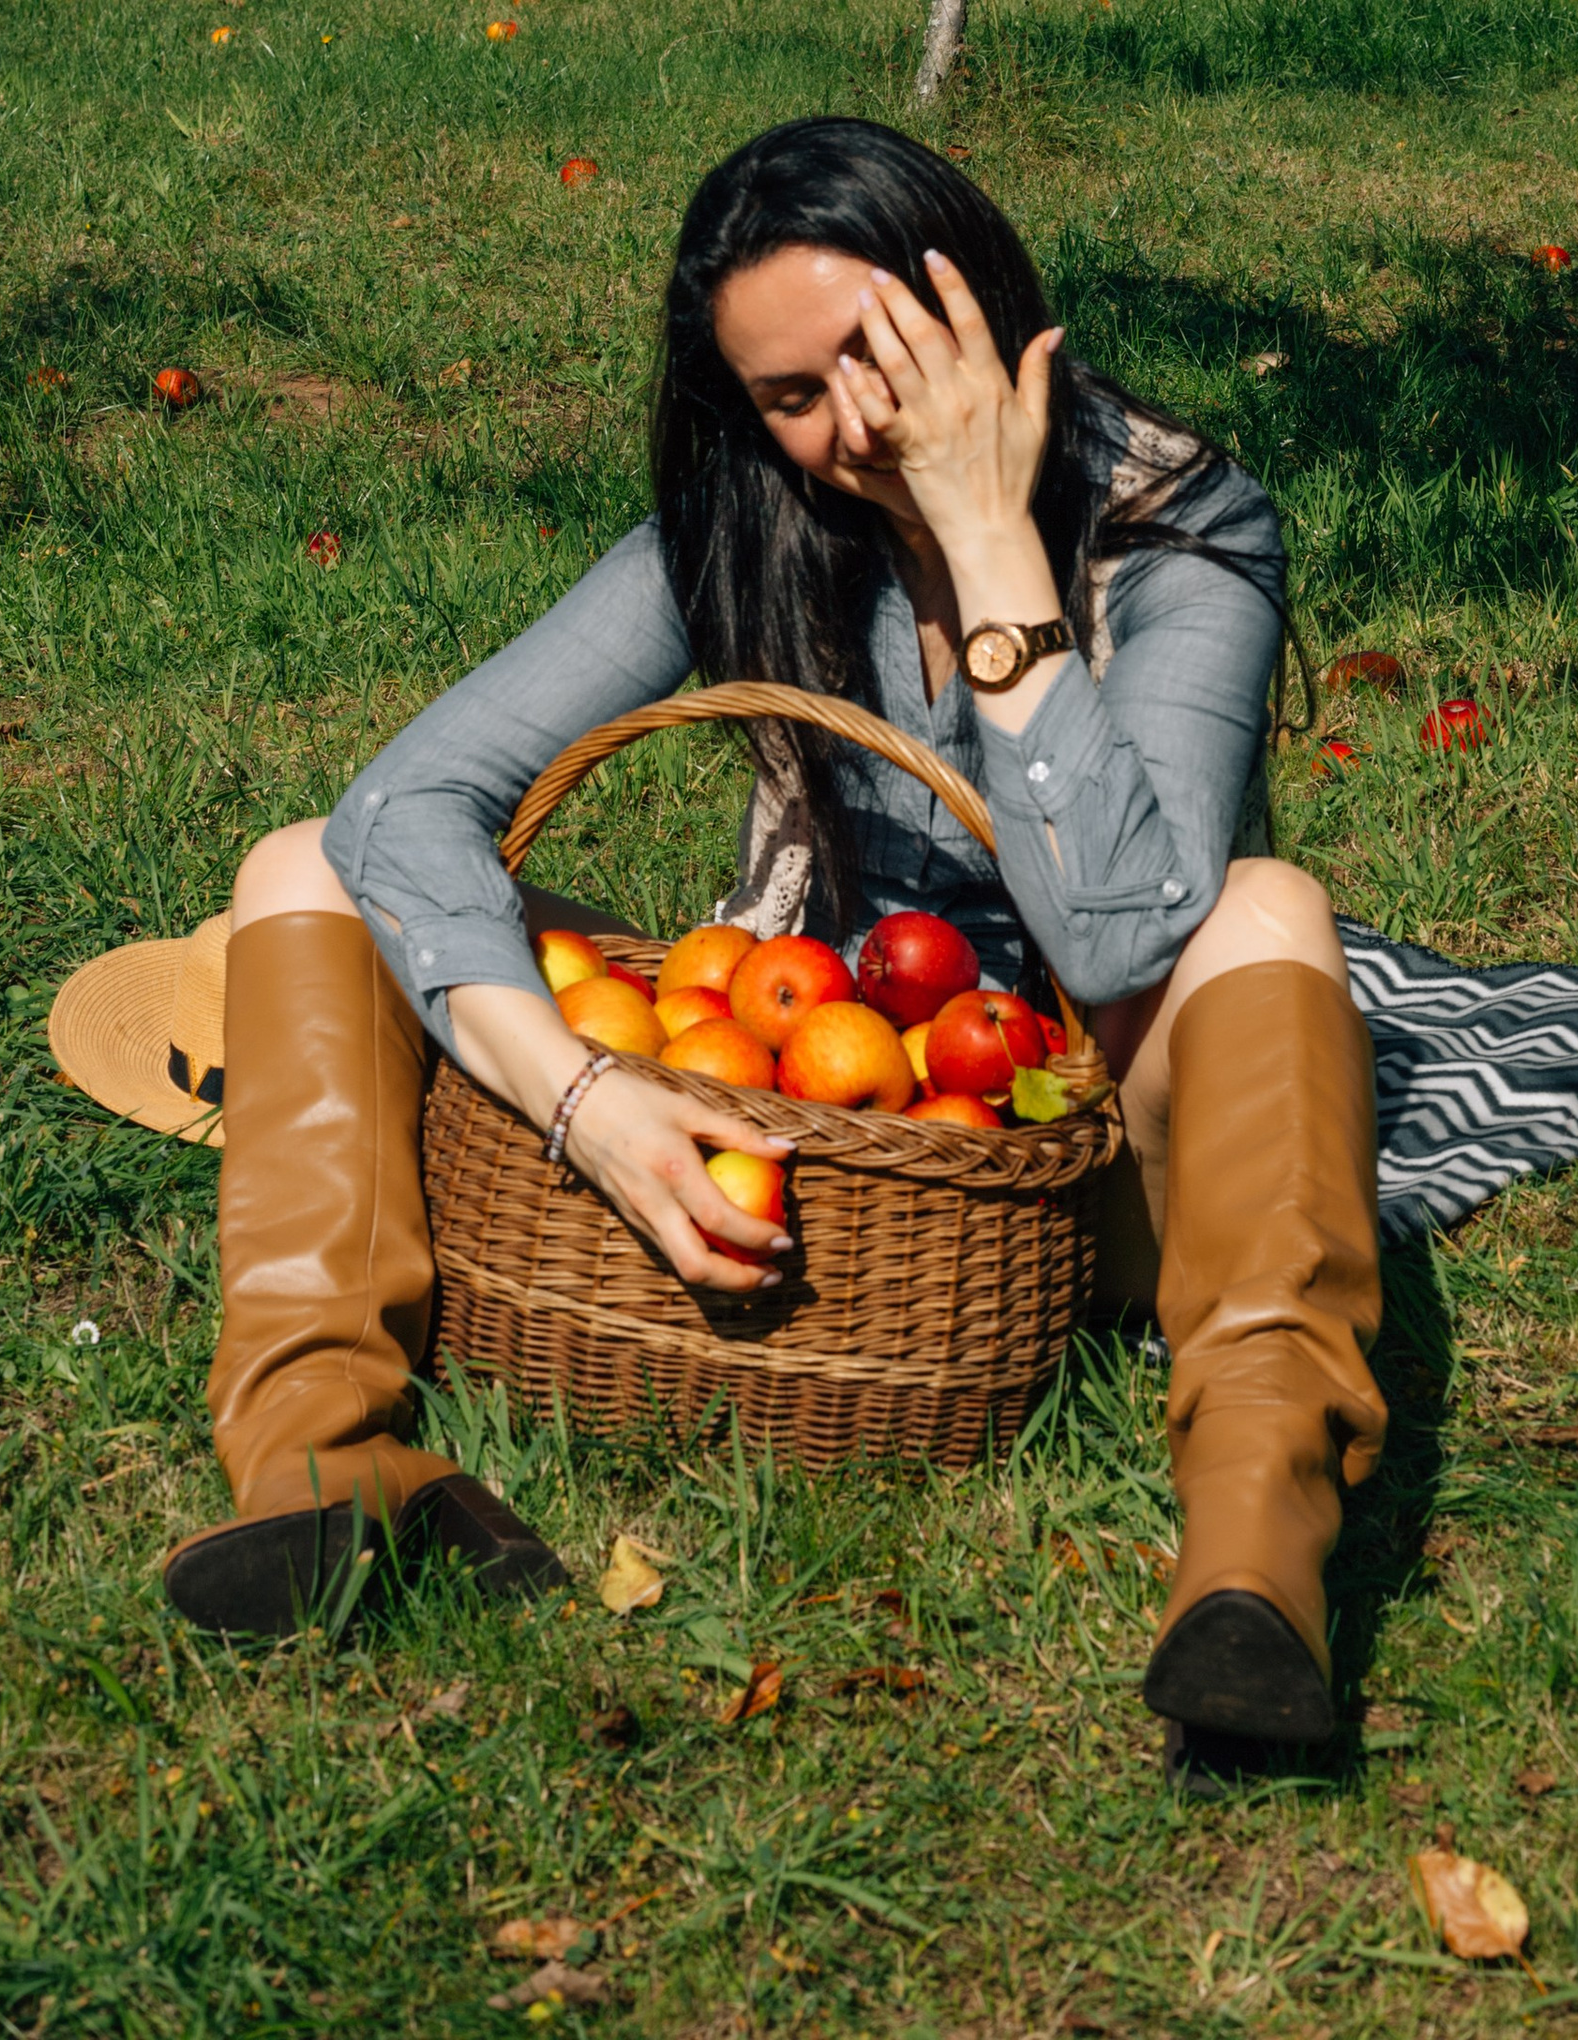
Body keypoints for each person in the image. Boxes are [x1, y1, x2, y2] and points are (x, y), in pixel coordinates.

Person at [168, 115, 1381, 1760]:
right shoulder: (756, 522)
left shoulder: (1187, 535)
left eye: (877, 356)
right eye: (791, 398)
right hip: (826, 1106)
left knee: (1264, 910)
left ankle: (1258, 1559)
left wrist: (989, 536)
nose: (854, 425)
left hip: (1083, 1152)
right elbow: (407, 805)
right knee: (305, 867)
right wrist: (579, 1096)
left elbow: (1113, 943)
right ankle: (328, 1455)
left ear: (977, 304)